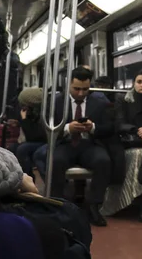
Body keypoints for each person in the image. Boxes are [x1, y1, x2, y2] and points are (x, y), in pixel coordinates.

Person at [47, 66, 115, 226]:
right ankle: (59, 205)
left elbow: (110, 128)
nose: (80, 93)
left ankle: (94, 206)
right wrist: (66, 128)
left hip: (88, 144)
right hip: (66, 143)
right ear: (68, 85)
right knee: (56, 161)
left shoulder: (99, 103)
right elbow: (46, 128)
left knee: (103, 161)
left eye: (85, 89)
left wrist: (93, 128)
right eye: (76, 89)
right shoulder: (56, 102)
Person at [102, 70, 142, 223]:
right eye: (139, 82)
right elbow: (120, 123)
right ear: (134, 84)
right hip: (128, 140)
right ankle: (141, 204)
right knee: (140, 155)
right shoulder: (124, 100)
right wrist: (139, 130)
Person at [13, 87, 47, 178]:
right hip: (37, 140)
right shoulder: (31, 112)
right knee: (11, 148)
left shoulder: (42, 115)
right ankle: (18, 178)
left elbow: (33, 136)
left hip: (44, 141)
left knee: (23, 149)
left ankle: (29, 178)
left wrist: (24, 120)